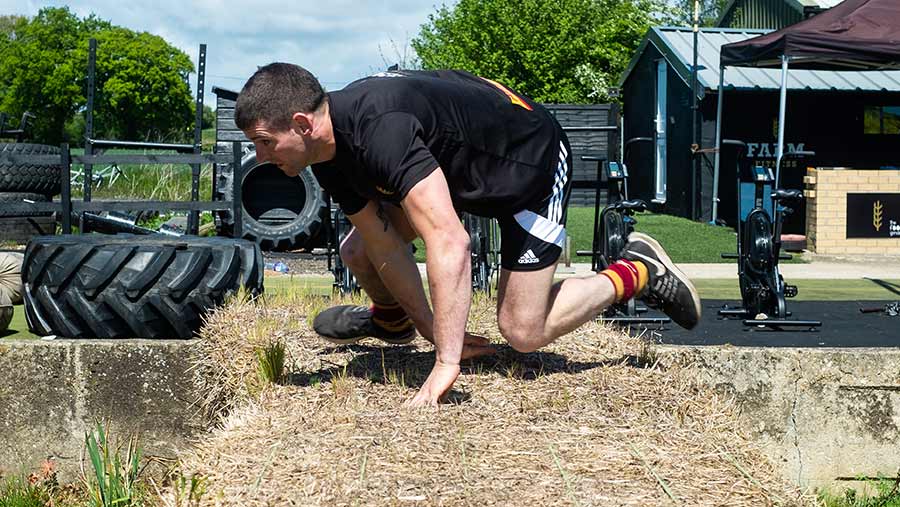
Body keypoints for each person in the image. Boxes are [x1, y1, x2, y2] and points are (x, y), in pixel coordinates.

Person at [234, 63, 701, 407]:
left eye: (264, 142)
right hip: (467, 173)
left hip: (529, 166)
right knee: (357, 248)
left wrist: (446, 363)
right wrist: (427, 328)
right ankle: (392, 321)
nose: (259, 156)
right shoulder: (330, 152)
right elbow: (381, 245)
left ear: (302, 124)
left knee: (522, 331)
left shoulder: (381, 131)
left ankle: (638, 269)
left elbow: (451, 242)